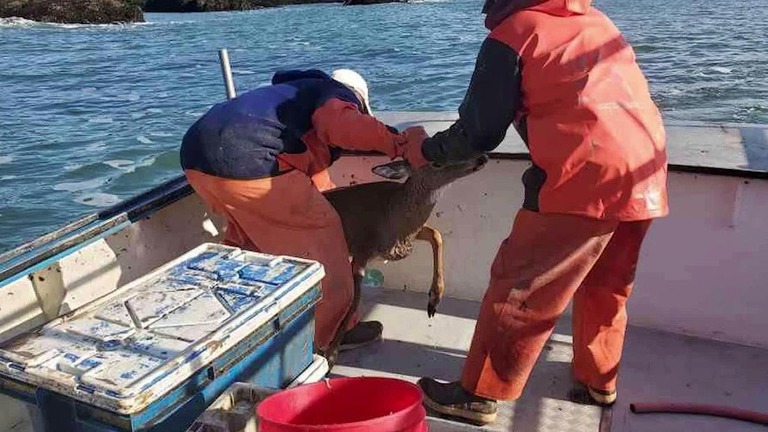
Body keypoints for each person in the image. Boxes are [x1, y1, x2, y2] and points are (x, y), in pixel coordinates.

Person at [412, 0, 670, 425]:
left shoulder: (513, 33)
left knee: (519, 286)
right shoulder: (594, 19)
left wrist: (425, 150)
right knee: (607, 282)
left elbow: (478, 133)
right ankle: (599, 380)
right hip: (645, 170)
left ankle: (476, 396)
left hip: (584, 173)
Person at [180, 68, 427, 356]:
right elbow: (341, 122)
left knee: (248, 247)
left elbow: (314, 174)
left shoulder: (290, 99)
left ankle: (235, 326)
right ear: (358, 101)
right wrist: (400, 143)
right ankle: (323, 341)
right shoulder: (335, 94)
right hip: (249, 161)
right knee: (326, 248)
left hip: (198, 160)